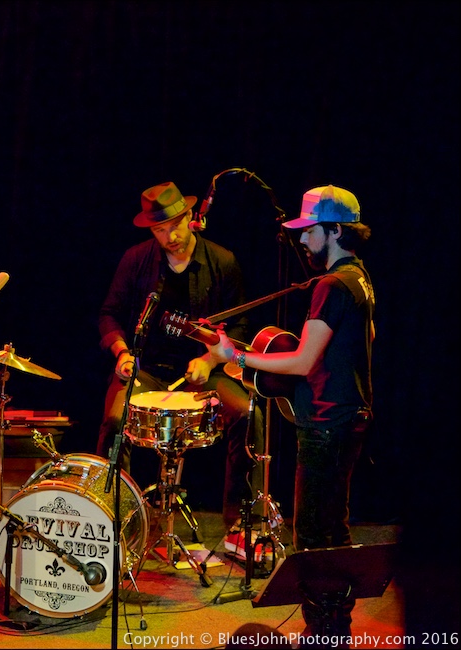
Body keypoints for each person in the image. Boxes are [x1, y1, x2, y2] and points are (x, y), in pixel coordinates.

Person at [205, 184, 373, 647]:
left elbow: (302, 362)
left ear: (334, 230)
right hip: (349, 418)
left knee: (314, 539)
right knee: (332, 531)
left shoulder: (331, 285)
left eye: (309, 231)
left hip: (325, 424)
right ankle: (334, 631)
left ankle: (322, 635)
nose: (301, 240)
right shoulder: (359, 277)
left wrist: (234, 357)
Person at [96, 181, 264, 537]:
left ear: (190, 218)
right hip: (146, 369)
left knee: (248, 414)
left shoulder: (222, 261)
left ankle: (239, 524)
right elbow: (109, 315)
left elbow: (240, 325)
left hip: (204, 372)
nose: (170, 236)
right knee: (114, 420)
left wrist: (211, 360)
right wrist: (122, 352)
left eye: (175, 225)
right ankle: (114, 521)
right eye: (160, 230)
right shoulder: (136, 260)